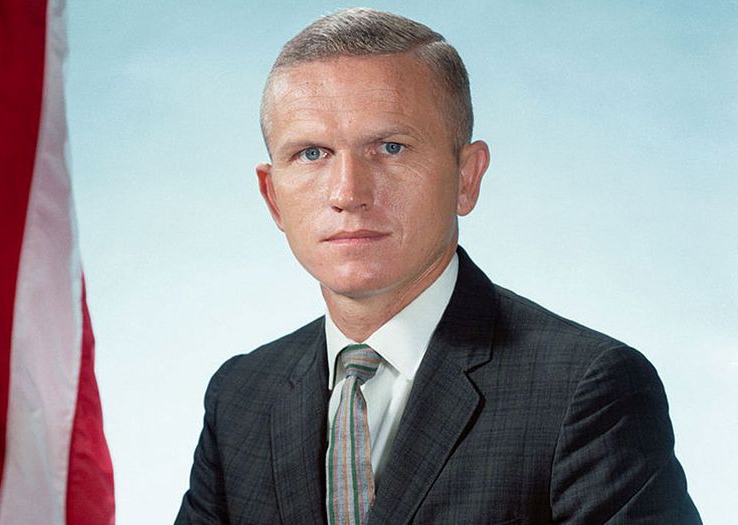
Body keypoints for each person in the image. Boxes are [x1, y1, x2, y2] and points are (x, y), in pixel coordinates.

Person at [176, 8, 700, 524]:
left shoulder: (587, 390)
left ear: (467, 177)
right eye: (312, 154)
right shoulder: (240, 395)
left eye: (390, 147)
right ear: (272, 198)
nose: (348, 193)